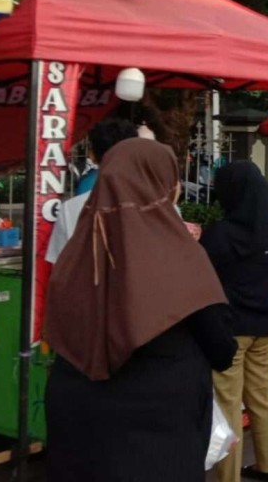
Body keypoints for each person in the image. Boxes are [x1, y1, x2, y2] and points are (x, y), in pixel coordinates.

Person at [44, 139, 236, 481]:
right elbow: (221, 348)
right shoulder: (182, 257)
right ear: (164, 185)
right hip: (159, 432)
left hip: (77, 423)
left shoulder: (75, 258)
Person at [199, 162, 268, 482]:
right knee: (262, 397)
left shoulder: (219, 234)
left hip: (229, 331)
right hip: (265, 326)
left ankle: (228, 477)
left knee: (229, 405)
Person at [45, 119, 139, 264]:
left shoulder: (70, 210)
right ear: (135, 155)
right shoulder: (165, 209)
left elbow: (59, 269)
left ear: (92, 156)